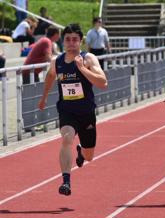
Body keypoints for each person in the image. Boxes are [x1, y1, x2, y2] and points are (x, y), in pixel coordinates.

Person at [38, 24, 107, 196]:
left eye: (75, 39)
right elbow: (49, 77)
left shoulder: (88, 58)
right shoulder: (57, 62)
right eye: (67, 39)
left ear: (81, 41)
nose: (71, 43)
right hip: (67, 111)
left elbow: (103, 83)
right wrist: (44, 97)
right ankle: (66, 181)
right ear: (63, 41)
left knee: (89, 155)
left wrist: (82, 68)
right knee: (67, 138)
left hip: (86, 113)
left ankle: (81, 152)